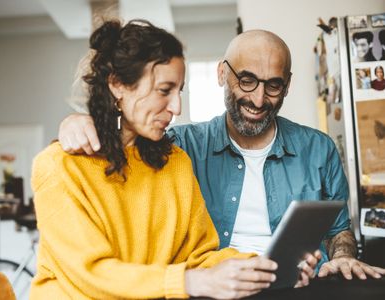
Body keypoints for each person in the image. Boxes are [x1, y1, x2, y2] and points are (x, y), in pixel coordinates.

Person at [58, 29, 385, 281]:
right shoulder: (180, 147)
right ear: (221, 74)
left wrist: (342, 256)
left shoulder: (319, 149)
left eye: (273, 85)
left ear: (286, 86)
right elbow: (123, 153)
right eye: (246, 81)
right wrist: (79, 121)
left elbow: (338, 229)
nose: (259, 100)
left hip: (302, 284)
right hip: (218, 285)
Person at [31, 20, 319, 300]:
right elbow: (91, 275)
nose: (176, 108)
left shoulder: (175, 162)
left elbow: (200, 255)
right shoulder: (60, 167)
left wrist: (265, 268)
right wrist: (190, 281)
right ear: (118, 85)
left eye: (179, 91)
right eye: (164, 90)